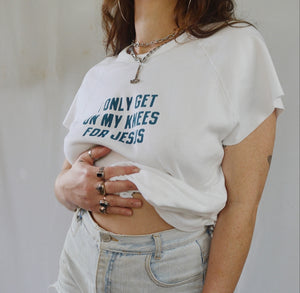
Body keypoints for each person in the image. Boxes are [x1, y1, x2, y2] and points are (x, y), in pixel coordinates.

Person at [50, 0, 285, 292]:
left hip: (163, 273)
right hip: (78, 260)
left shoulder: (236, 48)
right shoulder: (102, 73)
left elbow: (241, 207)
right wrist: (64, 188)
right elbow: (67, 177)